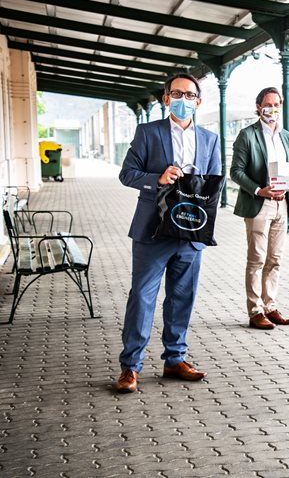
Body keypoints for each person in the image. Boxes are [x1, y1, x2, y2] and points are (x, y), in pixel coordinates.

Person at [115, 73, 222, 394]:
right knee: (142, 297)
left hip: (191, 230)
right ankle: (130, 366)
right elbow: (127, 174)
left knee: (182, 297)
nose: (183, 100)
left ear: (199, 102)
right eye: (177, 94)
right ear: (166, 99)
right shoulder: (148, 133)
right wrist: (157, 178)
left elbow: (216, 181)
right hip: (152, 229)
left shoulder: (210, 139)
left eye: (190, 95)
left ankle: (175, 359)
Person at [230, 87, 289, 330]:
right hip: (260, 204)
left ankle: (271, 306)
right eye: (267, 104)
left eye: (276, 104)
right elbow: (235, 172)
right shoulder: (247, 135)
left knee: (275, 259)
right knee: (257, 259)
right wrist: (259, 190)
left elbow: (287, 166)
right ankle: (255, 310)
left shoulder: (286, 136)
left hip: (282, 203)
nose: (272, 108)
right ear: (258, 107)